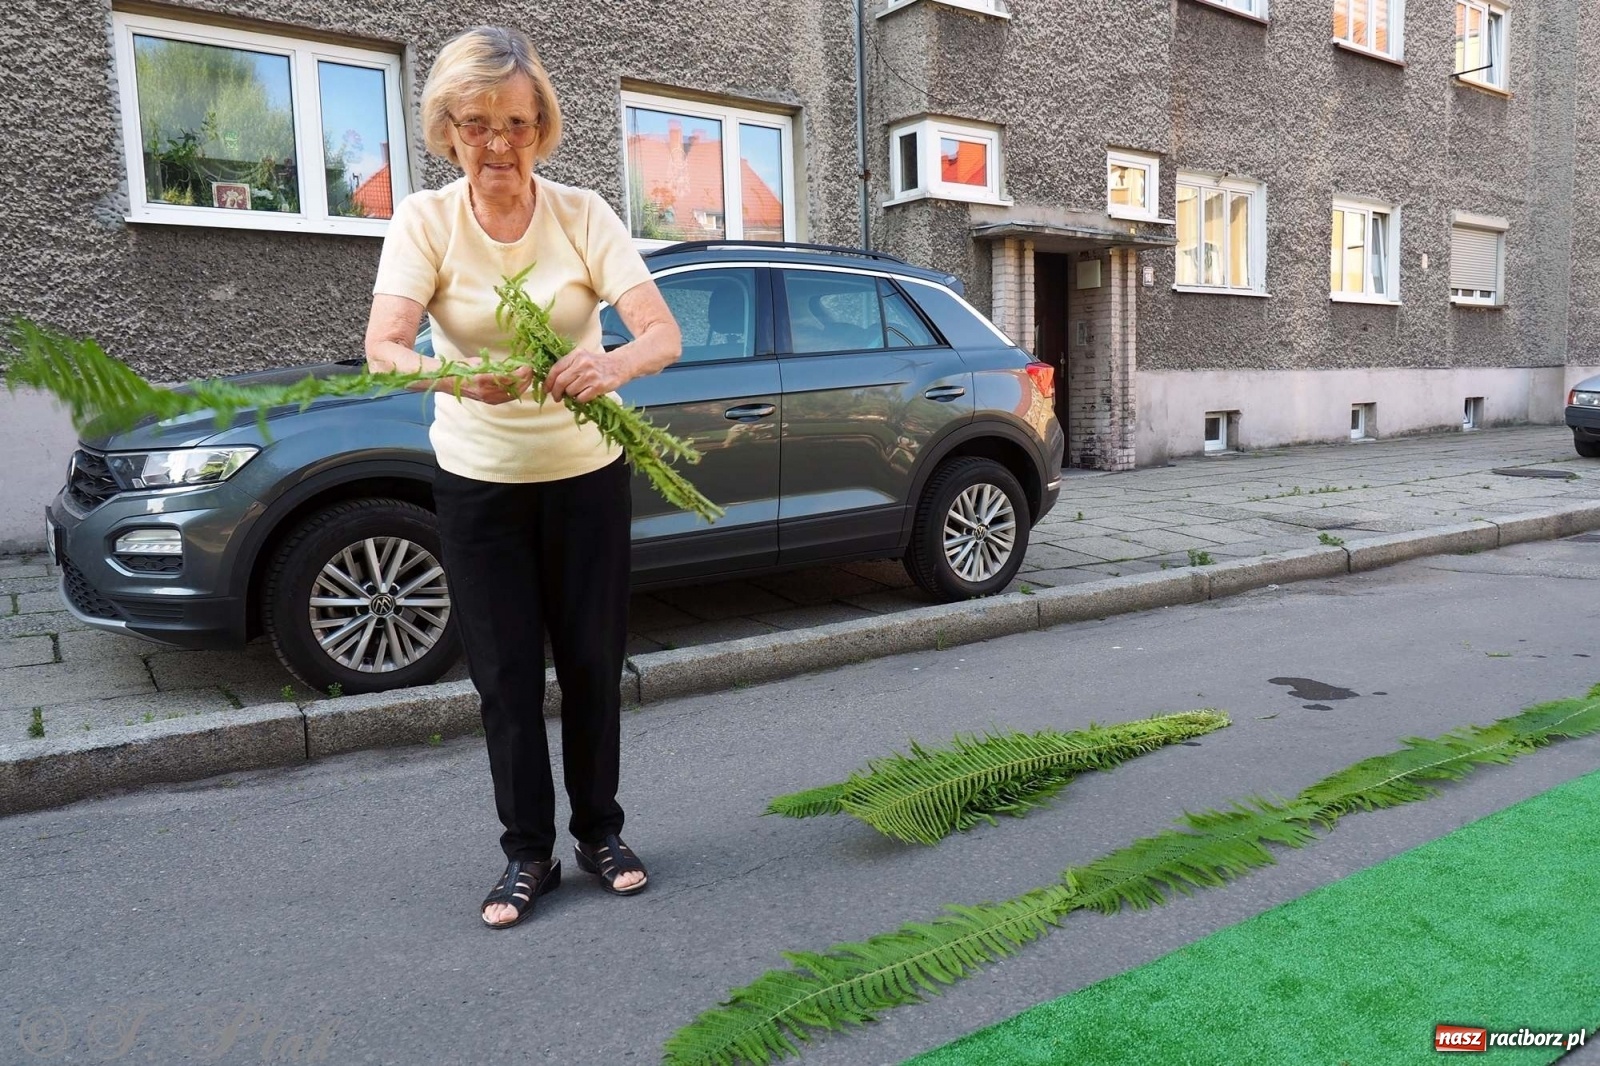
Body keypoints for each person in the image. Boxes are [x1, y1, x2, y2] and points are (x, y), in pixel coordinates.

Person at [364, 25, 681, 929]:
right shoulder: (425, 221)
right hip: (479, 485)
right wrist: (455, 376)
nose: (497, 143)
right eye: (476, 123)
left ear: (541, 126)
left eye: (515, 123)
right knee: (504, 678)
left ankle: (601, 833)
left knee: (591, 665)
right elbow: (384, 349)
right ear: (448, 129)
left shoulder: (583, 215)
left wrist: (611, 365)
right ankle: (526, 853)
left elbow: (662, 334)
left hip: (586, 479)